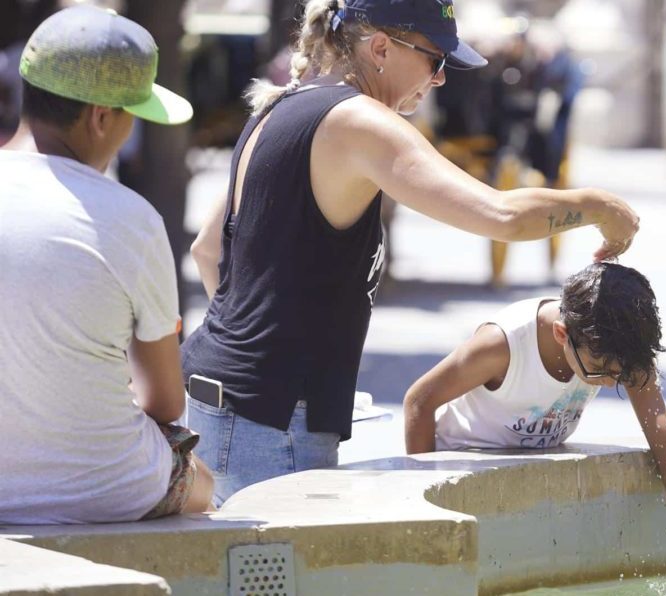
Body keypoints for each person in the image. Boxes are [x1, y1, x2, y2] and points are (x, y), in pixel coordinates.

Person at [184, 0, 639, 506]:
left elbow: (208, 251)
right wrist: (598, 206)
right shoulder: (357, 120)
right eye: (435, 59)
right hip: (270, 421)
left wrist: (261, 348)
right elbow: (502, 215)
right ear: (380, 47)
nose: (441, 79)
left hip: (219, 398)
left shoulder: (281, 107)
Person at [0, 5, 213, 523]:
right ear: (100, 116)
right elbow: (164, 403)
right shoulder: (130, 218)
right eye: (131, 117)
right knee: (206, 485)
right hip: (108, 487)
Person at [403, 263, 666, 574]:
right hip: (463, 463)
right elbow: (419, 402)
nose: (611, 382)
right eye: (601, 370)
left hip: (526, 484)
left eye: (620, 375)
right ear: (561, 333)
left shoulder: (620, 351)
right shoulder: (501, 346)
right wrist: (429, 512)